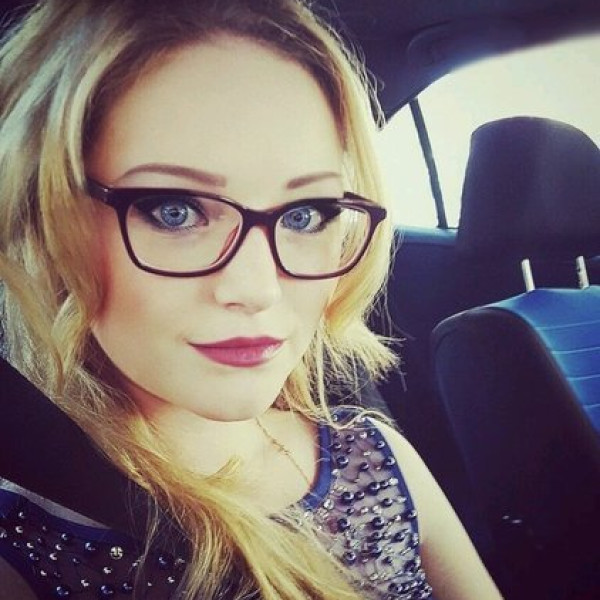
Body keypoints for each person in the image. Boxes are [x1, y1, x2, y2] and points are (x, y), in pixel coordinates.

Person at [0, 1, 503, 598]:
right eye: (174, 210)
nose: (258, 289)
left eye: (306, 214)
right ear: (46, 223)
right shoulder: (23, 543)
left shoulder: (378, 456)